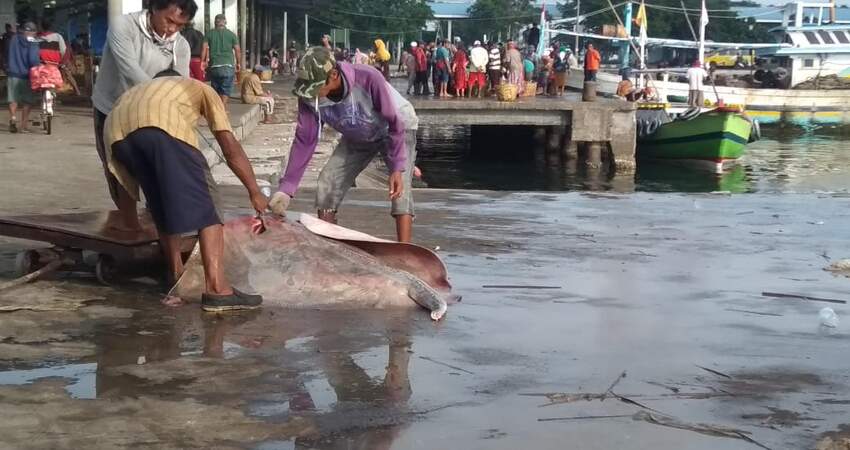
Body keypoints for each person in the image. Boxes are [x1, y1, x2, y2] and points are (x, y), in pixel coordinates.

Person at [105, 72, 268, 311]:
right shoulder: (199, 88)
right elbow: (228, 145)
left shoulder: (138, 93)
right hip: (161, 126)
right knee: (209, 201)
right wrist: (254, 191)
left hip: (115, 132)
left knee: (161, 201)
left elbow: (122, 181)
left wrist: (131, 224)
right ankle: (217, 289)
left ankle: (176, 280)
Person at [268, 47, 419, 243]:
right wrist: (286, 188)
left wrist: (397, 167)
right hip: (359, 133)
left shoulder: (368, 78)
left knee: (400, 189)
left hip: (397, 127)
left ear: (333, 75)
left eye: (315, 87)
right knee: (328, 180)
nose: (311, 93)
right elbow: (305, 140)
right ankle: (330, 242)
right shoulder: (308, 97)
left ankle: (405, 248)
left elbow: (395, 121)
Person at [92, 0, 193, 232]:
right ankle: (131, 226)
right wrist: (160, 96)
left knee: (158, 166)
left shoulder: (181, 46)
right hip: (111, 108)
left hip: (152, 112)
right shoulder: (122, 27)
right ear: (155, 8)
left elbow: (180, 84)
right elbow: (130, 72)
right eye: (169, 20)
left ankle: (157, 216)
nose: (172, 29)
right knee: (119, 169)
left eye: (179, 25)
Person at [6, 22, 40, 133]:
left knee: (13, 99)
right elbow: (32, 59)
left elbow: (7, 53)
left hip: (12, 73)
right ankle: (23, 126)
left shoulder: (14, 39)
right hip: (26, 75)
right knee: (27, 101)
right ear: (33, 32)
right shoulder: (33, 42)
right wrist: (37, 66)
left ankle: (13, 118)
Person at [205, 13, 241, 106]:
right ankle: (222, 109)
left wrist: (202, 61)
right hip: (228, 65)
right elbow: (237, 50)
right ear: (225, 22)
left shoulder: (209, 34)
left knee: (216, 89)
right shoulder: (231, 35)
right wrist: (238, 63)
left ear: (215, 22)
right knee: (225, 89)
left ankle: (218, 108)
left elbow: (204, 47)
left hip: (214, 66)